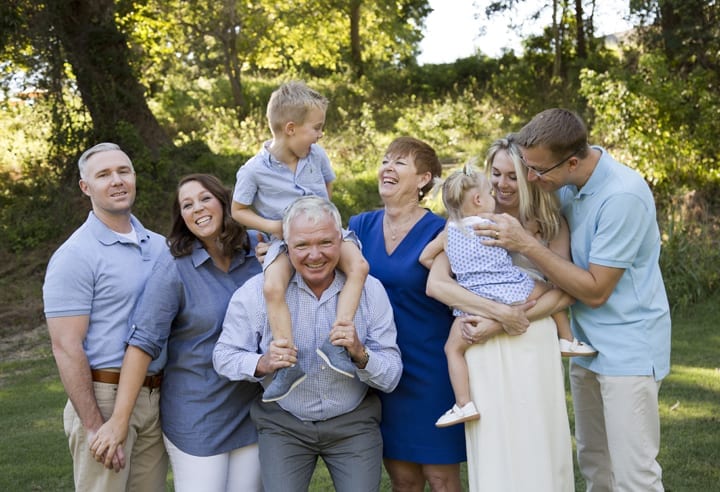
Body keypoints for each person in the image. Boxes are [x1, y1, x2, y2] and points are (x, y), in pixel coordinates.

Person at [483, 109, 671, 491]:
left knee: (635, 473)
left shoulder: (623, 197)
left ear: (571, 161)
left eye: (538, 171)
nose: (532, 178)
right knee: (595, 464)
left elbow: (596, 290)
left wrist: (525, 245)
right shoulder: (564, 184)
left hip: (628, 348)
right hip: (585, 346)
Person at [214, 195, 402, 492]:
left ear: (342, 241)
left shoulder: (370, 291)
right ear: (285, 248)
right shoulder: (256, 293)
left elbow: (391, 375)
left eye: (325, 243)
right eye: (302, 246)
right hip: (283, 423)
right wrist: (262, 363)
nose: (315, 255)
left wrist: (359, 353)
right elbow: (223, 356)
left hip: (352, 422)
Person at [88, 174, 263, 492]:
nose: (198, 208)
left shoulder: (256, 251)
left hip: (250, 409)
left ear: (224, 202)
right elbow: (142, 344)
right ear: (182, 217)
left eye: (205, 198)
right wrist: (119, 420)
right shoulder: (174, 268)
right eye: (187, 204)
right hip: (197, 414)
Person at [426, 137, 575, 491]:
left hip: (530, 336)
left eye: (512, 176)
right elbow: (438, 284)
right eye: (495, 174)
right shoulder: (466, 224)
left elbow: (566, 290)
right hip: (481, 343)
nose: (502, 184)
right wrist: (496, 314)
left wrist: (500, 322)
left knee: (538, 434)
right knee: (493, 439)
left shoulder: (549, 223)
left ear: (529, 176)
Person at [419, 163, 595, 428]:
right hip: (511, 288)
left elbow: (425, 257)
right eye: (491, 188)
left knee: (452, 349)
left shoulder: (449, 231)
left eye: (512, 176)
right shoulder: (496, 222)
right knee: (553, 289)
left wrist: (462, 270)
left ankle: (463, 403)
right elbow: (534, 259)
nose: (497, 192)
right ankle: (567, 340)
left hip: (475, 300)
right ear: (478, 199)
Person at [231, 80, 369, 402]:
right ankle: (286, 360)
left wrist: (326, 218)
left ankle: (337, 344)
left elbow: (328, 186)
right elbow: (238, 210)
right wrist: (271, 225)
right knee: (272, 286)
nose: (320, 135)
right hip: (284, 238)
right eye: (316, 128)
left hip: (327, 232)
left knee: (359, 266)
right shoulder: (254, 170)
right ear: (290, 128)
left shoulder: (316, 155)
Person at [43, 142, 168, 492]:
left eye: (123, 171)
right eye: (103, 175)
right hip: (102, 395)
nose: (116, 181)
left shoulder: (159, 246)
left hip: (155, 398)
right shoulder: (75, 255)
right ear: (86, 187)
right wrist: (95, 425)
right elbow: (66, 346)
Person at [348, 137, 466, 492]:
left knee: (442, 479)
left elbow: (467, 288)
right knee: (403, 480)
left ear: (423, 178)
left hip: (432, 369)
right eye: (385, 160)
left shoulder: (444, 231)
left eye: (400, 162)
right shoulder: (359, 226)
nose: (388, 167)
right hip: (381, 367)